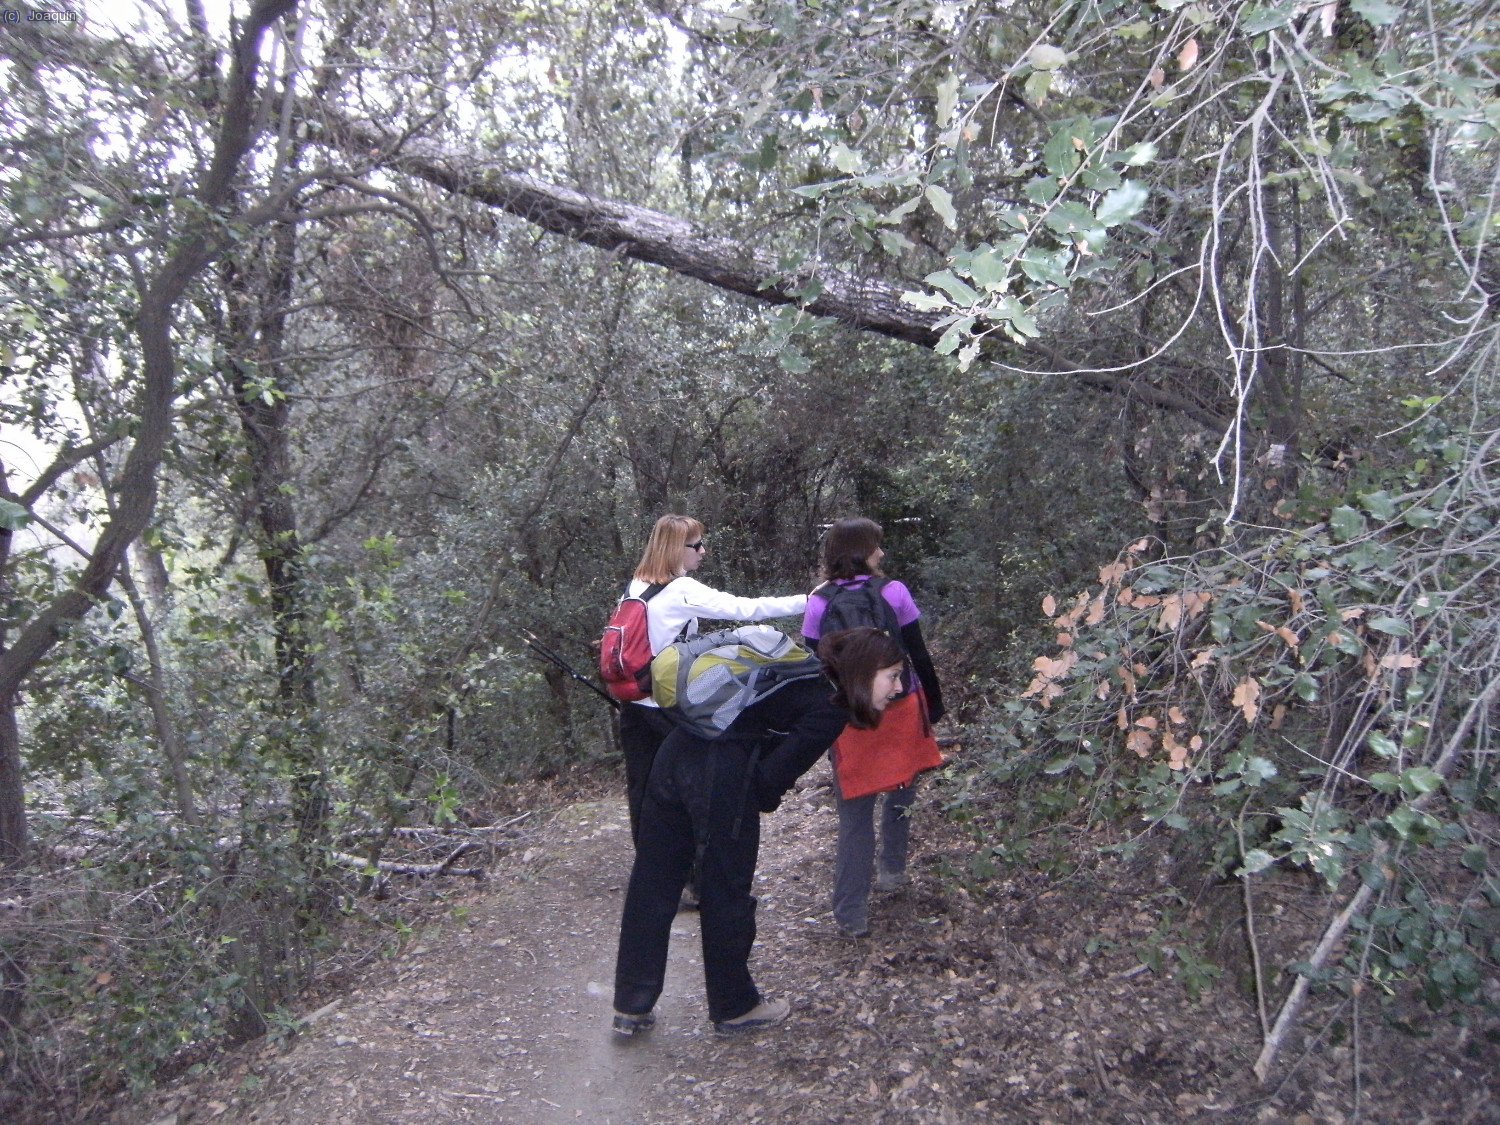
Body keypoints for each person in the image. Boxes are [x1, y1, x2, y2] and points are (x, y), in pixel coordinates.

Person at [612, 628, 905, 1037]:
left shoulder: (797, 672)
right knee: (726, 889)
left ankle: (631, 1003)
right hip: (719, 777)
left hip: (675, 752)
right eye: (891, 675)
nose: (898, 686)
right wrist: (755, 785)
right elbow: (768, 783)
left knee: (653, 881)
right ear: (865, 671)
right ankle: (735, 1007)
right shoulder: (828, 705)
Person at [615, 514, 808, 889]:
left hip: (634, 703)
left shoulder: (636, 586)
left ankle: (654, 872)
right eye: (697, 545)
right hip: (668, 706)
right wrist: (808, 600)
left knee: (643, 788)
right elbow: (744, 608)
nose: (704, 551)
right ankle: (696, 878)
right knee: (691, 788)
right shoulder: (681, 590)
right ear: (676, 549)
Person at [801, 517, 945, 939]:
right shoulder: (894, 592)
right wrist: (933, 704)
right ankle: (893, 871)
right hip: (901, 704)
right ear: (862, 549)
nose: (882, 553)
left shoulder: (818, 601)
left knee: (855, 814)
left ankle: (850, 913)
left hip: (850, 715)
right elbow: (916, 651)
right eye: (877, 545)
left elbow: (817, 662)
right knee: (903, 788)